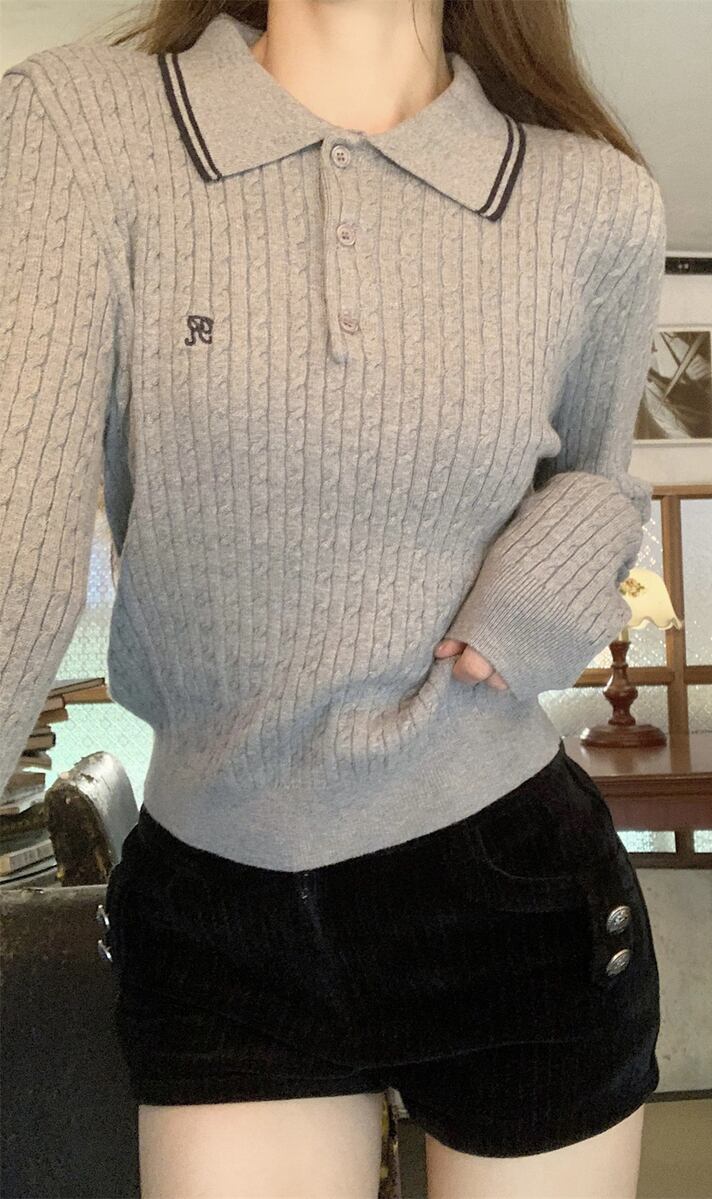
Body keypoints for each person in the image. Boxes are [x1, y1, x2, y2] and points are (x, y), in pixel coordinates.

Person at [0, 1, 665, 1196]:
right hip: (214, 902)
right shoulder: (82, 125)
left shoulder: (597, 199)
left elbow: (603, 476)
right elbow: (13, 544)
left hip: (508, 879)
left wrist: (548, 576)